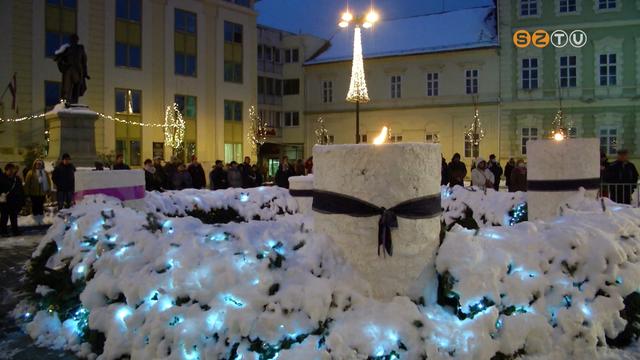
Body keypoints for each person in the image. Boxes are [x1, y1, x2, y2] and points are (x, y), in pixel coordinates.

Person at [54, 33, 89, 105]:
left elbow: (84, 61)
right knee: (67, 87)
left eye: (75, 39)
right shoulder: (67, 49)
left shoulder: (80, 48)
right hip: (69, 70)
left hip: (78, 70)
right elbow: (58, 58)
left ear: (77, 40)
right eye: (72, 39)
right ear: (70, 40)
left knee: (77, 87)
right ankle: (65, 102)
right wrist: (63, 64)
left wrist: (85, 73)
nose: (74, 41)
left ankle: (74, 102)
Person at [0, 163, 25, 237]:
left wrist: (21, 200)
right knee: (4, 217)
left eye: (12, 169)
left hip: (14, 201)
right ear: (6, 170)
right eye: (9, 170)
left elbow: (20, 190)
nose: (11, 171)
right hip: (5, 202)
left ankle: (15, 230)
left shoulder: (17, 179)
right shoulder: (1, 178)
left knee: (14, 217)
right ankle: (3, 231)